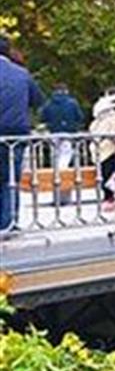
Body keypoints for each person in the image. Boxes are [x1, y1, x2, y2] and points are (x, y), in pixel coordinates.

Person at [0, 35, 44, 232]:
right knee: (10, 178)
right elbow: (38, 100)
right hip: (16, 134)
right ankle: (9, 222)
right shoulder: (22, 74)